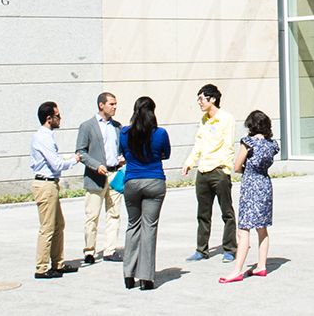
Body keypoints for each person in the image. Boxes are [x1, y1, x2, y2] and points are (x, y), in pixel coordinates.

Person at [219, 110, 279, 284]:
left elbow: (237, 166)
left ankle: (237, 270)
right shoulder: (272, 145)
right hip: (265, 185)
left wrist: (246, 168)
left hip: (250, 185)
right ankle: (261, 265)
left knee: (243, 230)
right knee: (262, 228)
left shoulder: (248, 142)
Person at [119, 96, 171, 291]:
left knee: (133, 225)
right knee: (149, 227)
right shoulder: (160, 133)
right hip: (155, 181)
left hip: (131, 181)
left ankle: (128, 274)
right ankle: (146, 278)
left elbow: (123, 153)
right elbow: (166, 153)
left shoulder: (124, 133)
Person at [183, 83, 237, 262]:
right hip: (203, 171)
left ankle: (229, 248)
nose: (199, 102)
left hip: (219, 171)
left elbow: (229, 145)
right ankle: (201, 250)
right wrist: (190, 162)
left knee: (226, 212)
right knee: (203, 213)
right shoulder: (204, 120)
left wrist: (225, 169)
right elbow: (198, 144)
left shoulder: (226, 118)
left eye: (201, 99)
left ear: (212, 99)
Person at [30, 101, 81, 280]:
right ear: (49, 118)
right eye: (58, 116)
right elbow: (56, 163)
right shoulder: (43, 137)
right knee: (47, 227)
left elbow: (55, 162)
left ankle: (57, 263)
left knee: (59, 224)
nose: (60, 119)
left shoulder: (47, 136)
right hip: (45, 185)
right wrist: (74, 160)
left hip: (50, 183)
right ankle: (42, 267)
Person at [75, 91, 125, 264]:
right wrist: (96, 166)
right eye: (112, 104)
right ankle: (89, 251)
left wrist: (122, 158)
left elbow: (121, 149)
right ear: (101, 105)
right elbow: (81, 152)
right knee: (92, 216)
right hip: (96, 176)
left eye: (116, 103)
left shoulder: (118, 127)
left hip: (114, 174)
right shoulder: (87, 126)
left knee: (114, 214)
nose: (115, 107)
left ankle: (110, 250)